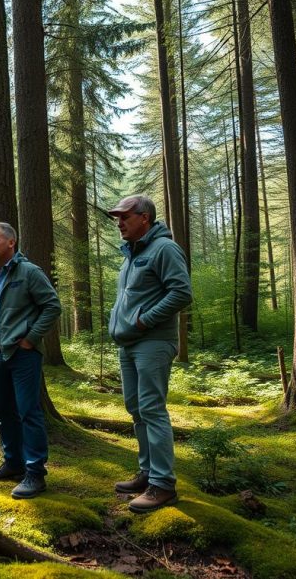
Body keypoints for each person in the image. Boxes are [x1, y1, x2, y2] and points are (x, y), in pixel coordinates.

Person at [107, 195, 192, 514]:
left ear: (144, 218)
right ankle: (147, 472)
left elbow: (182, 293)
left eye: (125, 217)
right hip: (129, 343)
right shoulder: (131, 254)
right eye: (117, 218)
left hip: (153, 341)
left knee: (152, 408)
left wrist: (144, 319)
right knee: (135, 407)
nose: (119, 222)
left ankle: (163, 484)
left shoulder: (164, 248)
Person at [0, 221, 62, 499]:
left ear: (11, 243)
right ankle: (13, 463)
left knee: (29, 412)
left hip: (22, 354)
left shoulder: (29, 272)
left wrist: (31, 338)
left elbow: (52, 305)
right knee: (3, 411)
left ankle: (35, 473)